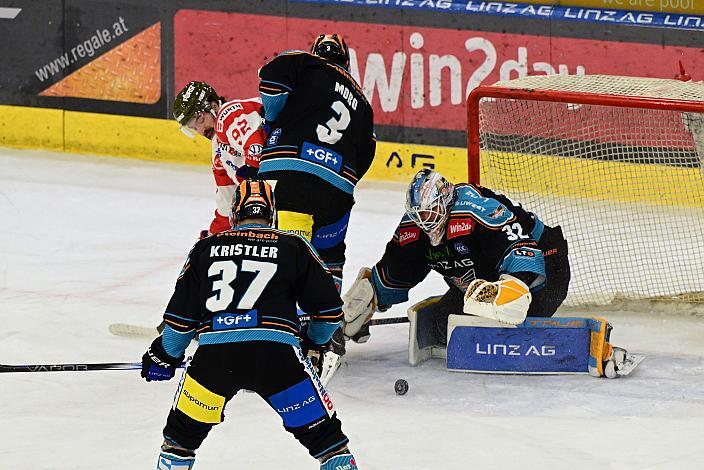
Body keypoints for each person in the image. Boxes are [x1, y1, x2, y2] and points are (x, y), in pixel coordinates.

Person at [140, 179, 359, 470]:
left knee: (179, 443)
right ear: (272, 214)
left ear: (234, 214)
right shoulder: (294, 246)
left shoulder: (205, 249)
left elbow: (181, 323)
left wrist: (163, 356)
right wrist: (314, 343)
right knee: (330, 446)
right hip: (278, 359)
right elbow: (330, 312)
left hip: (215, 361)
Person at [343, 169, 571, 346]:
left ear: (445, 200)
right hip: (486, 280)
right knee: (438, 327)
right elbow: (396, 271)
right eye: (419, 214)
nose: (425, 220)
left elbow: (521, 251)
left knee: (507, 320)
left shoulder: (474, 210)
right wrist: (367, 300)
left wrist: (511, 293)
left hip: (545, 266)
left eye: (430, 210)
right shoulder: (413, 228)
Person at [256, 34, 376, 301]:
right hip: (337, 190)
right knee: (330, 255)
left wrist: (273, 121)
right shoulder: (364, 105)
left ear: (316, 52)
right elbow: (366, 155)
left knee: (280, 251)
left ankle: (286, 324)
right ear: (346, 62)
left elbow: (273, 84)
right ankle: (327, 325)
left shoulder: (304, 62)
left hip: (291, 175)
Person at [173, 81, 265, 235]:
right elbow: (227, 206)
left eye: (200, 120)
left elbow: (255, 147)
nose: (201, 130)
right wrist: (213, 237)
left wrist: (252, 179)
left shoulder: (228, 114)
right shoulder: (218, 153)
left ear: (214, 106)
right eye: (193, 128)